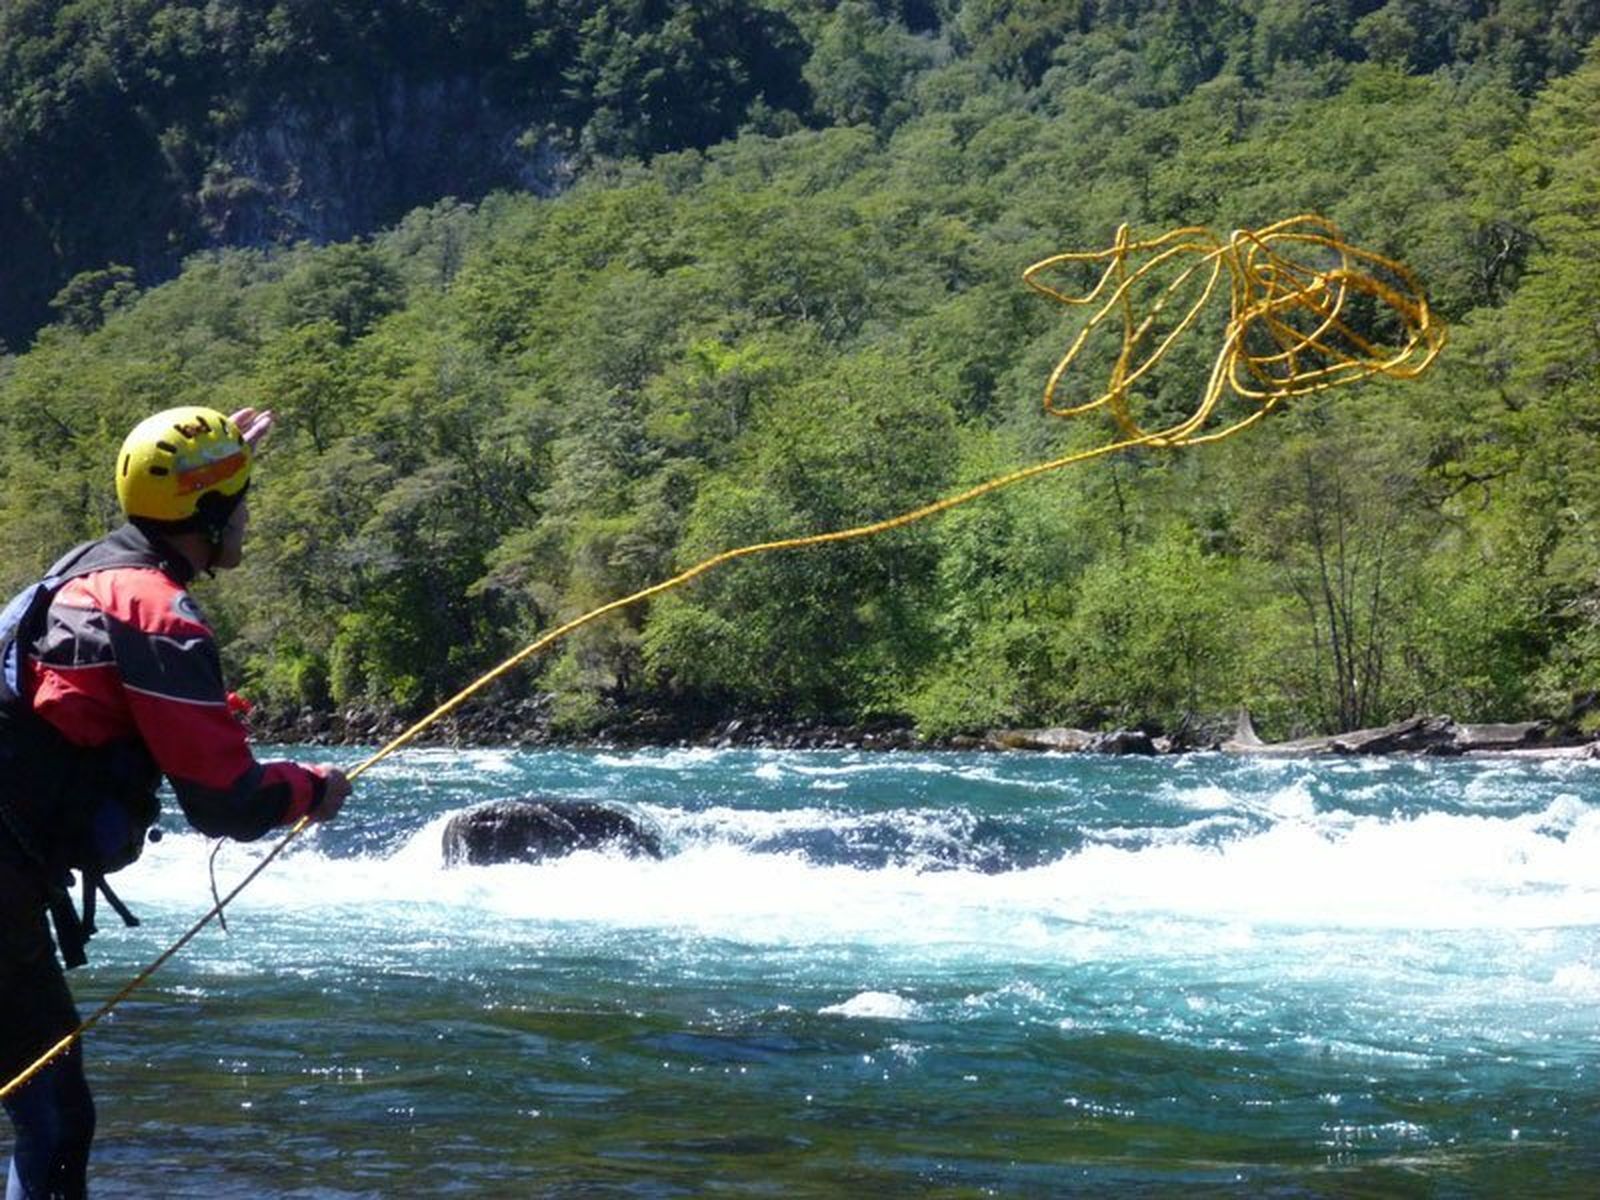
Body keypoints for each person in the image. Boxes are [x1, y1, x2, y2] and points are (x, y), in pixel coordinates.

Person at [0, 405, 353, 1199]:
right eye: (243, 500)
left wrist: (206, 462)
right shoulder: (159, 616)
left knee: (51, 1105)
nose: (251, 517)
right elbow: (226, 803)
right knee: (54, 1117)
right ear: (210, 514)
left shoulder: (84, 570)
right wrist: (312, 792)